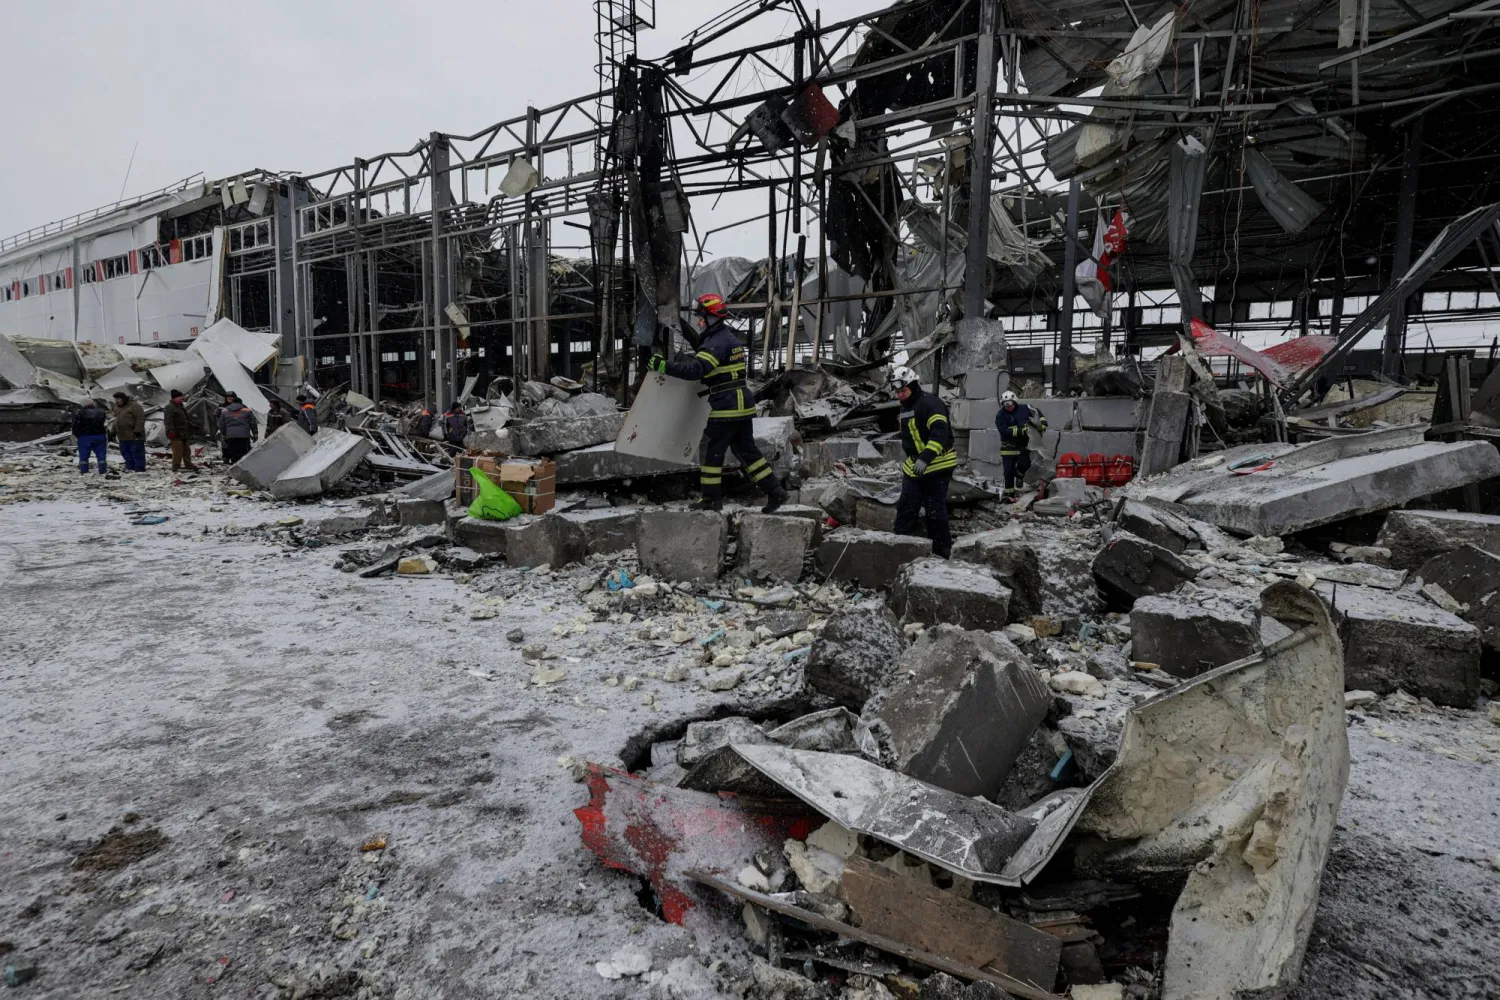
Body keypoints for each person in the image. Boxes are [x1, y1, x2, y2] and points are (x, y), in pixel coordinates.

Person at [648, 293, 788, 513]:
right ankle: (776, 492)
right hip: (740, 405)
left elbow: (697, 369)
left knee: (711, 450)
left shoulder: (716, 342)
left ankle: (711, 500)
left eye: (701, 317)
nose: (698, 321)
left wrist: (664, 366)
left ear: (712, 317)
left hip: (726, 407)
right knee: (748, 452)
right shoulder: (726, 338)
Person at [891, 366, 957, 557]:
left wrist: (925, 458)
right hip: (914, 465)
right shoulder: (906, 406)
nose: (900, 395)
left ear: (913, 385)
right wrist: (916, 460)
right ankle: (899, 546)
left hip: (938, 464)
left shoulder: (930, 403)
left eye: (903, 391)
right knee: (906, 505)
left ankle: (941, 552)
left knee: (934, 509)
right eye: (897, 392)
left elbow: (939, 434)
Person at [995, 390, 1046, 495]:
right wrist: (1020, 430)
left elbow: (1038, 414)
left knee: (1025, 464)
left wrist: (1043, 424)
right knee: (1008, 472)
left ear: (1014, 401)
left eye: (1010, 403)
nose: (1008, 406)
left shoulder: (1026, 408)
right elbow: (1004, 431)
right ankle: (1009, 494)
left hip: (1023, 444)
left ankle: (1019, 476)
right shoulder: (1000, 415)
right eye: (1005, 404)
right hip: (1008, 447)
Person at [111, 392, 147, 472]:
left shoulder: (134, 406)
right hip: (122, 435)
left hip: (134, 435)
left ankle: (139, 469)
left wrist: (138, 430)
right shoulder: (117, 408)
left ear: (123, 399)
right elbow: (116, 420)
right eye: (116, 399)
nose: (117, 401)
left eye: (118, 399)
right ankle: (130, 467)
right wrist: (113, 431)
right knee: (125, 452)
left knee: (137, 452)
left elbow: (140, 418)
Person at [72, 398, 109, 475]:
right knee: (101, 455)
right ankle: (103, 470)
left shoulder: (80, 413)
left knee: (84, 456)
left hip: (85, 437)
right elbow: (103, 422)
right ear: (93, 404)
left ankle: (84, 471)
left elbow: (76, 426)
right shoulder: (101, 412)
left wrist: (77, 434)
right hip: (100, 436)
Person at [219, 393, 258, 465]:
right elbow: (253, 423)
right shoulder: (247, 410)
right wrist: (255, 434)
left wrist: (224, 434)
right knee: (244, 453)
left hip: (230, 436)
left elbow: (222, 425)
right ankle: (245, 467)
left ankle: (234, 467)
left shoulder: (224, 411)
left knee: (233, 453)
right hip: (244, 436)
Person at [164, 389, 198, 471]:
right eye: (180, 397)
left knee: (186, 450)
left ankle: (188, 464)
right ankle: (176, 466)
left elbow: (184, 418)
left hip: (184, 432)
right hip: (176, 433)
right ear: (175, 398)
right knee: (178, 451)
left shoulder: (180, 406)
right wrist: (171, 431)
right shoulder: (169, 407)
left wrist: (190, 425)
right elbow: (168, 420)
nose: (182, 398)